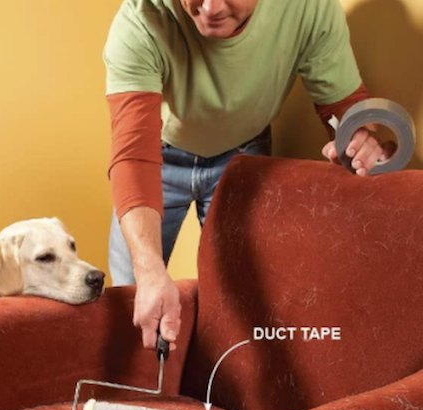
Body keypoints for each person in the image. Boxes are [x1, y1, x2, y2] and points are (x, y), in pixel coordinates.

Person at [104, 0, 395, 352]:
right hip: (158, 158)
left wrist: (358, 141)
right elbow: (134, 155)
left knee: (243, 302)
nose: (210, 8)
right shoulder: (140, 18)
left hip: (244, 151)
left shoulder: (309, 6)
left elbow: (338, 108)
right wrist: (149, 273)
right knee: (133, 297)